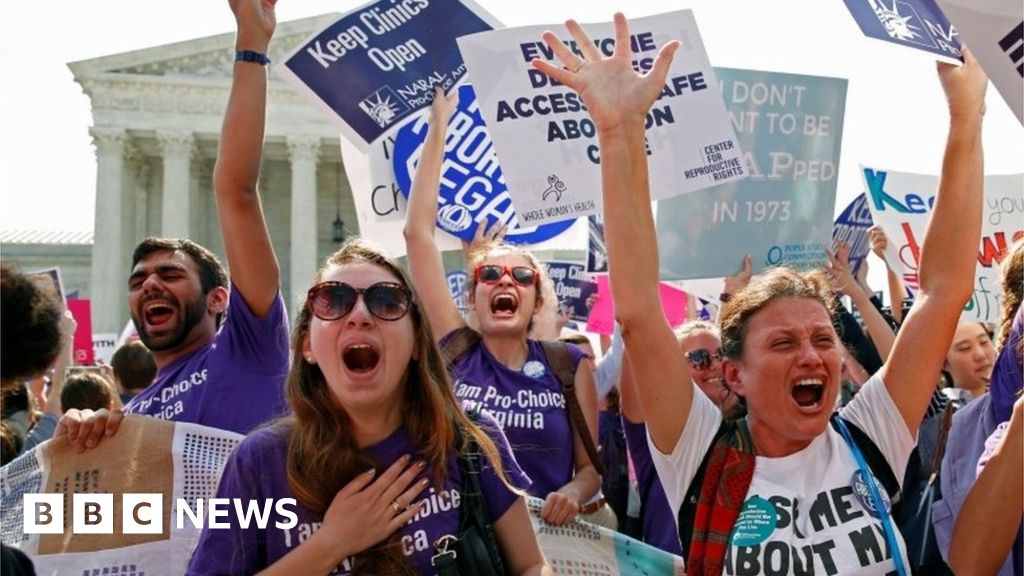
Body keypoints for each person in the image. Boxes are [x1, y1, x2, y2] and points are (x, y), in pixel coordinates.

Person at [532, 14, 986, 575]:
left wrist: (967, 117)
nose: (812, 354)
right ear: (735, 375)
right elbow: (641, 314)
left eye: (823, 338)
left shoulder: (870, 435)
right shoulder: (701, 451)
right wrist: (621, 131)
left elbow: (941, 293)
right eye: (783, 342)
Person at [187, 238, 552, 575]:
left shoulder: (469, 438)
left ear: (417, 346)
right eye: (332, 301)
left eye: (387, 301)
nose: (359, 315)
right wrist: (332, 544)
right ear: (307, 347)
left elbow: (532, 565)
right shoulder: (258, 462)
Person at [57, 0, 291, 446]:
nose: (149, 285)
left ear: (219, 298)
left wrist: (251, 45)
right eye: (139, 279)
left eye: (170, 274)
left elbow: (236, 192)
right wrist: (83, 451)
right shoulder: (133, 415)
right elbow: (111, 517)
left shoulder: (247, 351)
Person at [404, 89, 601, 527]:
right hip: (461, 548)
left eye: (522, 277)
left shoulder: (569, 366)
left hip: (542, 544)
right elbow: (417, 234)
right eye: (489, 276)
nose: (505, 281)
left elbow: (590, 470)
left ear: (536, 302)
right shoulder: (455, 349)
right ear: (472, 297)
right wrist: (440, 127)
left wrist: (570, 493)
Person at [933, 240, 1024, 576]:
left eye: (981, 341)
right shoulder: (969, 423)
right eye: (963, 347)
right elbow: (970, 565)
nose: (978, 353)